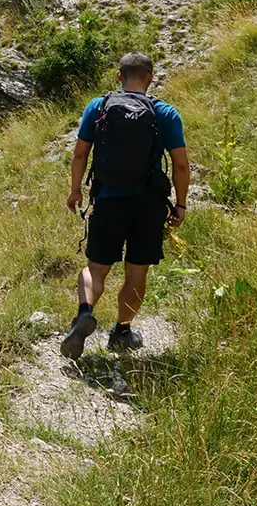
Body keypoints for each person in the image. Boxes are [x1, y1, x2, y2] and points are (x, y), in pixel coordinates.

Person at [60, 52, 189, 359]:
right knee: (136, 273)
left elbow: (80, 154)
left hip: (108, 200)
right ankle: (121, 332)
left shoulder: (99, 106)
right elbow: (181, 165)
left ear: (119, 76)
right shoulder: (165, 113)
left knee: (96, 269)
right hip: (149, 205)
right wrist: (180, 206)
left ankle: (84, 313)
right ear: (151, 78)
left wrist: (75, 190)